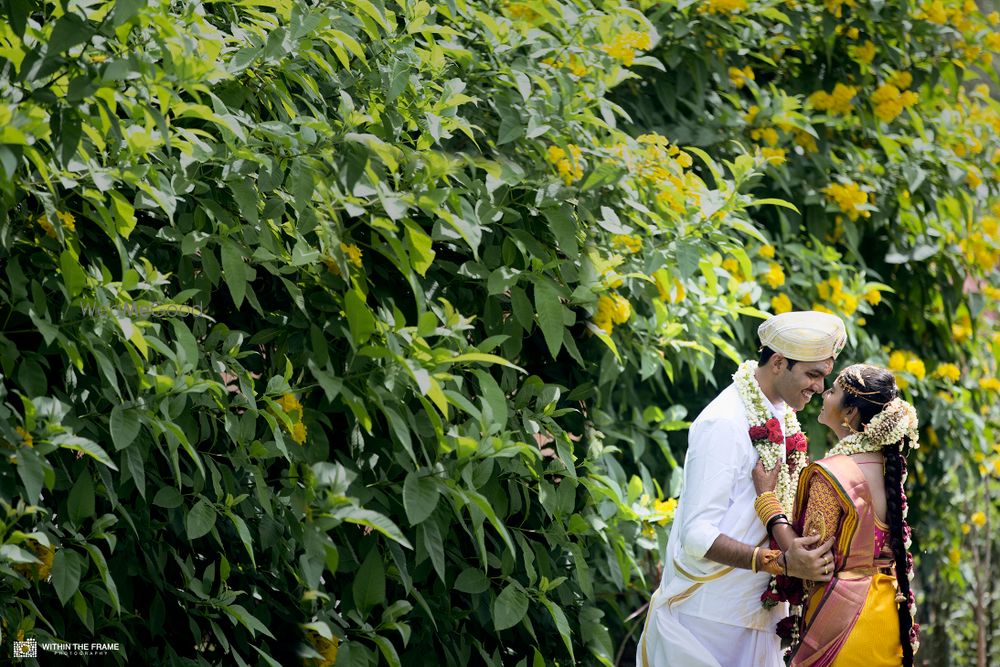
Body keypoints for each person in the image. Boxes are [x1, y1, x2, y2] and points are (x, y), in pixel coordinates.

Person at [637, 311, 847, 667]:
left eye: (823, 377)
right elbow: (697, 536)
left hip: (758, 618)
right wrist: (781, 563)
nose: (818, 387)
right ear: (779, 363)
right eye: (812, 374)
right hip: (705, 620)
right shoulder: (724, 421)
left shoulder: (780, 414)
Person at [751, 364, 920, 666]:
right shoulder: (888, 465)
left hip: (843, 619)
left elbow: (809, 556)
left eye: (832, 391)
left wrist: (767, 502)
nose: (823, 392)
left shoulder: (834, 474)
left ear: (850, 413)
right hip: (885, 613)